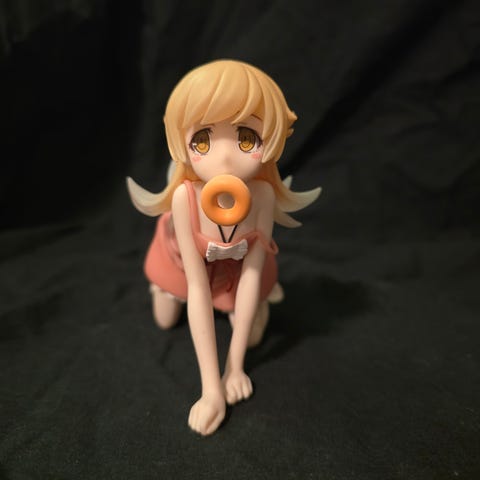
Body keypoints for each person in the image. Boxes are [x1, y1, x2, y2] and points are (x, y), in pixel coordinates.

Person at [127, 59, 320, 436]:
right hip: (186, 267)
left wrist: (234, 368)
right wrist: (211, 390)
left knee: (253, 337)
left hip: (238, 271)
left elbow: (251, 273)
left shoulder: (262, 196)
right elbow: (197, 286)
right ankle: (163, 287)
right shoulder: (184, 198)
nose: (226, 157)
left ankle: (244, 314)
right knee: (165, 319)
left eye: (247, 138)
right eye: (203, 140)